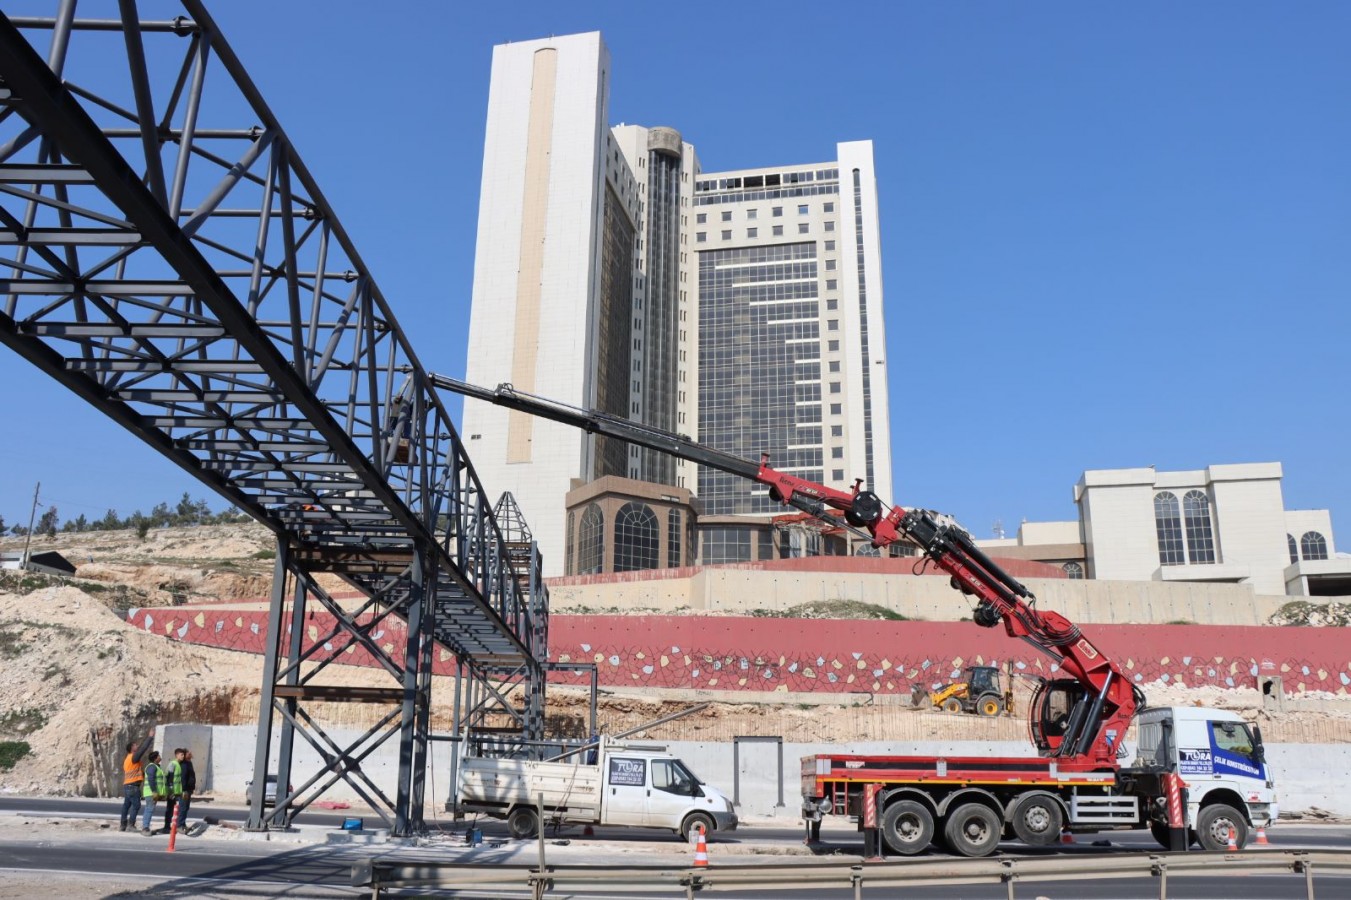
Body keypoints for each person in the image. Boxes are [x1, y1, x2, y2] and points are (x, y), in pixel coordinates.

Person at [119, 728, 155, 832]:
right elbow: (143, 749)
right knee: (136, 805)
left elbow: (136, 771)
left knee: (126, 805)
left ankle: (123, 825)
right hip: (133, 786)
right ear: (132, 748)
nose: (137, 746)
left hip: (127, 785)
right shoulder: (133, 757)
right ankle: (131, 825)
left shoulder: (127, 759)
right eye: (135, 745)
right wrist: (150, 737)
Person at [139, 751, 165, 835]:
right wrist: (154, 791)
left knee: (149, 809)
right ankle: (145, 828)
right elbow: (151, 779)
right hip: (150, 792)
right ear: (155, 758)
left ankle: (145, 827)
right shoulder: (152, 767)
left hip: (152, 792)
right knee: (149, 809)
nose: (160, 757)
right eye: (159, 756)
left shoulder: (156, 767)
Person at [163, 748, 186, 834]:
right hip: (172, 791)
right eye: (181, 754)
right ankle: (167, 826)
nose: (183, 756)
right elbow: (169, 777)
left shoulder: (178, 764)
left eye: (183, 755)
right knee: (170, 809)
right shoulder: (173, 764)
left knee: (173, 809)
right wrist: (170, 791)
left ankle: (171, 826)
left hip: (176, 791)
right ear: (176, 755)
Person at [175, 748, 197, 833]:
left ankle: (183, 824)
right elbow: (183, 778)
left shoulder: (189, 763)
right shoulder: (184, 764)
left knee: (186, 808)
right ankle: (179, 825)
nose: (190, 753)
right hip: (185, 790)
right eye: (187, 752)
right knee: (183, 808)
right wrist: (183, 790)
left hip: (189, 789)